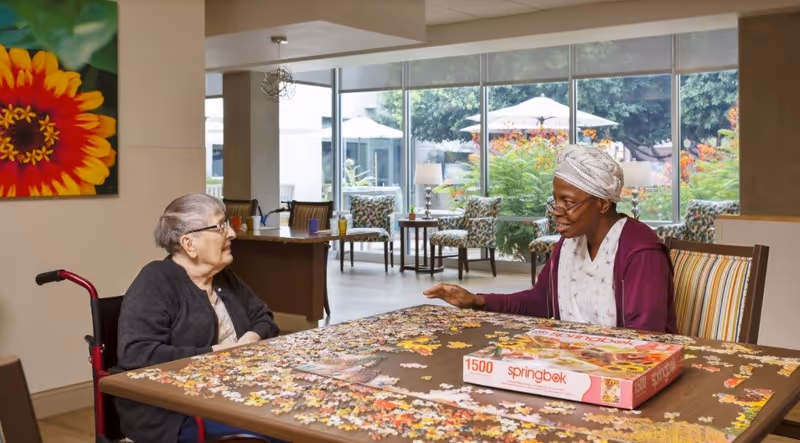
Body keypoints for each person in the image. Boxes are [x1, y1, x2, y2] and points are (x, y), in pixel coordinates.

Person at [424, 145, 677, 334]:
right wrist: (476, 300)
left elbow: (645, 338)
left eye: (567, 201)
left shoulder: (641, 251)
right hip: (569, 361)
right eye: (555, 200)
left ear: (602, 203)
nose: (556, 210)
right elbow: (540, 302)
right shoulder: (568, 243)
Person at [115, 194, 283, 443]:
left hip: (234, 394)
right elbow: (136, 353)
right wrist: (216, 354)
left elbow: (264, 318)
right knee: (279, 429)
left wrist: (249, 339)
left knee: (298, 417)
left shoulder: (225, 277)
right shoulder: (156, 280)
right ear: (189, 243)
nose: (232, 234)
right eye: (220, 227)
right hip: (175, 412)